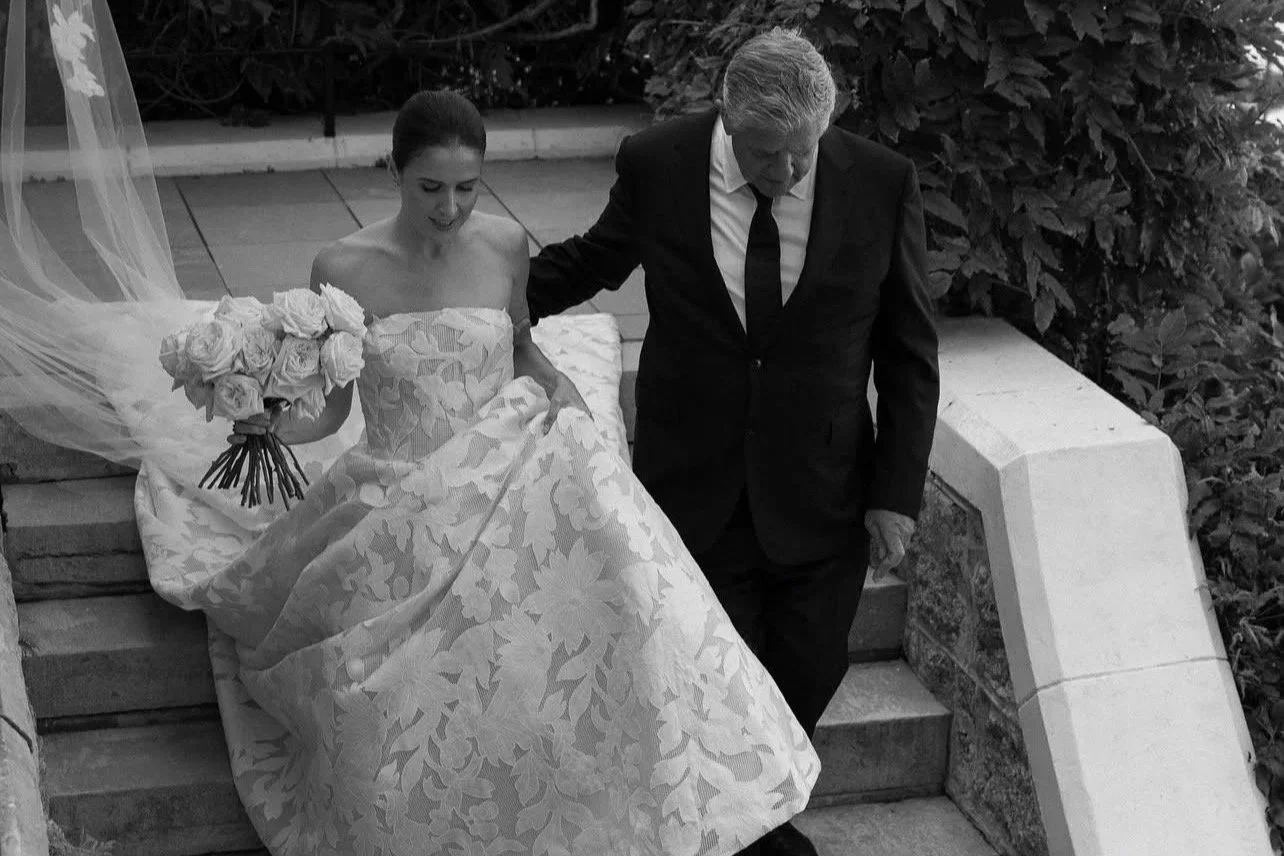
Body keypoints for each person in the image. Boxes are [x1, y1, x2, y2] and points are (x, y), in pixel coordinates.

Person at [136, 89, 819, 855]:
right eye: (431, 187)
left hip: (507, 453)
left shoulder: (504, 245)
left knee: (615, 559)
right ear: (395, 171)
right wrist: (267, 420)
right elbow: (331, 412)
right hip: (399, 481)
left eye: (468, 187)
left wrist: (560, 390)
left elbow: (519, 345)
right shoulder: (341, 268)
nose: (451, 207)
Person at [527, 28, 941, 856]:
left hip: (824, 499)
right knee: (718, 705)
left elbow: (909, 350)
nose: (785, 173)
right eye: (765, 154)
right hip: (695, 493)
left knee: (799, 693)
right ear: (726, 115)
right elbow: (592, 262)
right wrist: (468, 298)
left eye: (802, 154)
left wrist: (894, 495)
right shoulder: (658, 165)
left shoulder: (880, 183)